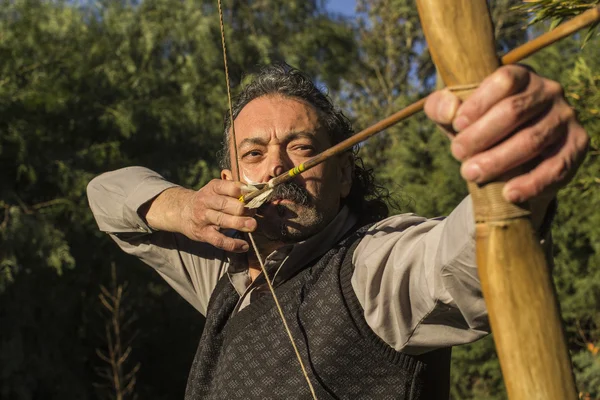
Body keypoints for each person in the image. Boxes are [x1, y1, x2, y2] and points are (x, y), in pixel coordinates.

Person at [87, 63, 588, 399]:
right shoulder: (226, 268)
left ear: (344, 173)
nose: (277, 167)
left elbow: (461, 260)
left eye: (302, 148)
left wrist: (513, 171)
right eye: (254, 153)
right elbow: (107, 195)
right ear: (227, 182)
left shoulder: (373, 269)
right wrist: (186, 208)